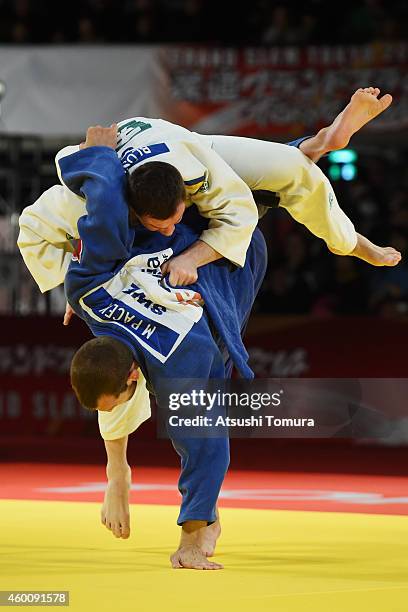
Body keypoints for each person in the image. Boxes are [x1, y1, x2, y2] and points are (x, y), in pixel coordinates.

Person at [58, 123, 268, 570]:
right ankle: (303, 153)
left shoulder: (179, 363)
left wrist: (192, 536)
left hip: (227, 265)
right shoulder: (84, 292)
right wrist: (100, 157)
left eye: (119, 400)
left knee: (200, 420)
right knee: (267, 178)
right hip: (172, 232)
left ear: (135, 375)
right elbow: (105, 216)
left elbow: (206, 445)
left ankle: (204, 522)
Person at [18, 87, 400, 304]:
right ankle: (311, 147)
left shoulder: (201, 173)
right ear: (132, 205)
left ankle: (346, 231)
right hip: (140, 146)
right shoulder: (94, 187)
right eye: (159, 224)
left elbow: (241, 217)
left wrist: (191, 257)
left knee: (299, 175)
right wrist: (73, 287)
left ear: (186, 199)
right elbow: (32, 226)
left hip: (188, 143)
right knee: (297, 167)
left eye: (174, 220)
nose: (169, 231)